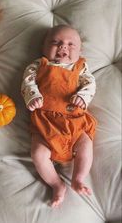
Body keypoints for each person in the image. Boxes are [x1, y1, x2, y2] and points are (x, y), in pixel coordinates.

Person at [21, 25, 97, 208]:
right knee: (38, 154)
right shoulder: (39, 65)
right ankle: (56, 184)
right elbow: (27, 83)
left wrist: (83, 96)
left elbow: (90, 83)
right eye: (56, 43)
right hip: (45, 123)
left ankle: (78, 178)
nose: (63, 47)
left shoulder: (80, 67)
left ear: (80, 51)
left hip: (74, 122)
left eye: (71, 45)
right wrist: (33, 96)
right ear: (44, 48)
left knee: (86, 144)